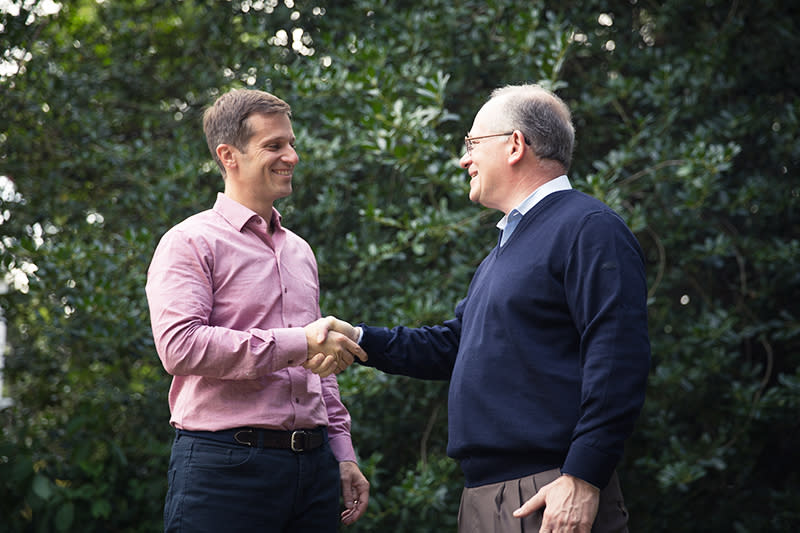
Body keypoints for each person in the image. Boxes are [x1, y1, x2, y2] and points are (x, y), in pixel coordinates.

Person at [326, 84, 650, 532]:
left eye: (473, 144)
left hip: (549, 490)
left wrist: (582, 476)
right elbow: (455, 345)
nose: (464, 159)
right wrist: (359, 339)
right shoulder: (504, 249)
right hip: (484, 497)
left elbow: (618, 360)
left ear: (515, 144)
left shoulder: (589, 229)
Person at [145, 88, 369, 533]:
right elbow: (180, 347)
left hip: (314, 470)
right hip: (224, 470)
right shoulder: (190, 242)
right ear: (228, 155)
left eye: (290, 143)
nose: (292, 156)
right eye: (274, 145)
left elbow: (318, 366)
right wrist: (298, 342)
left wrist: (342, 452)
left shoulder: (300, 252)